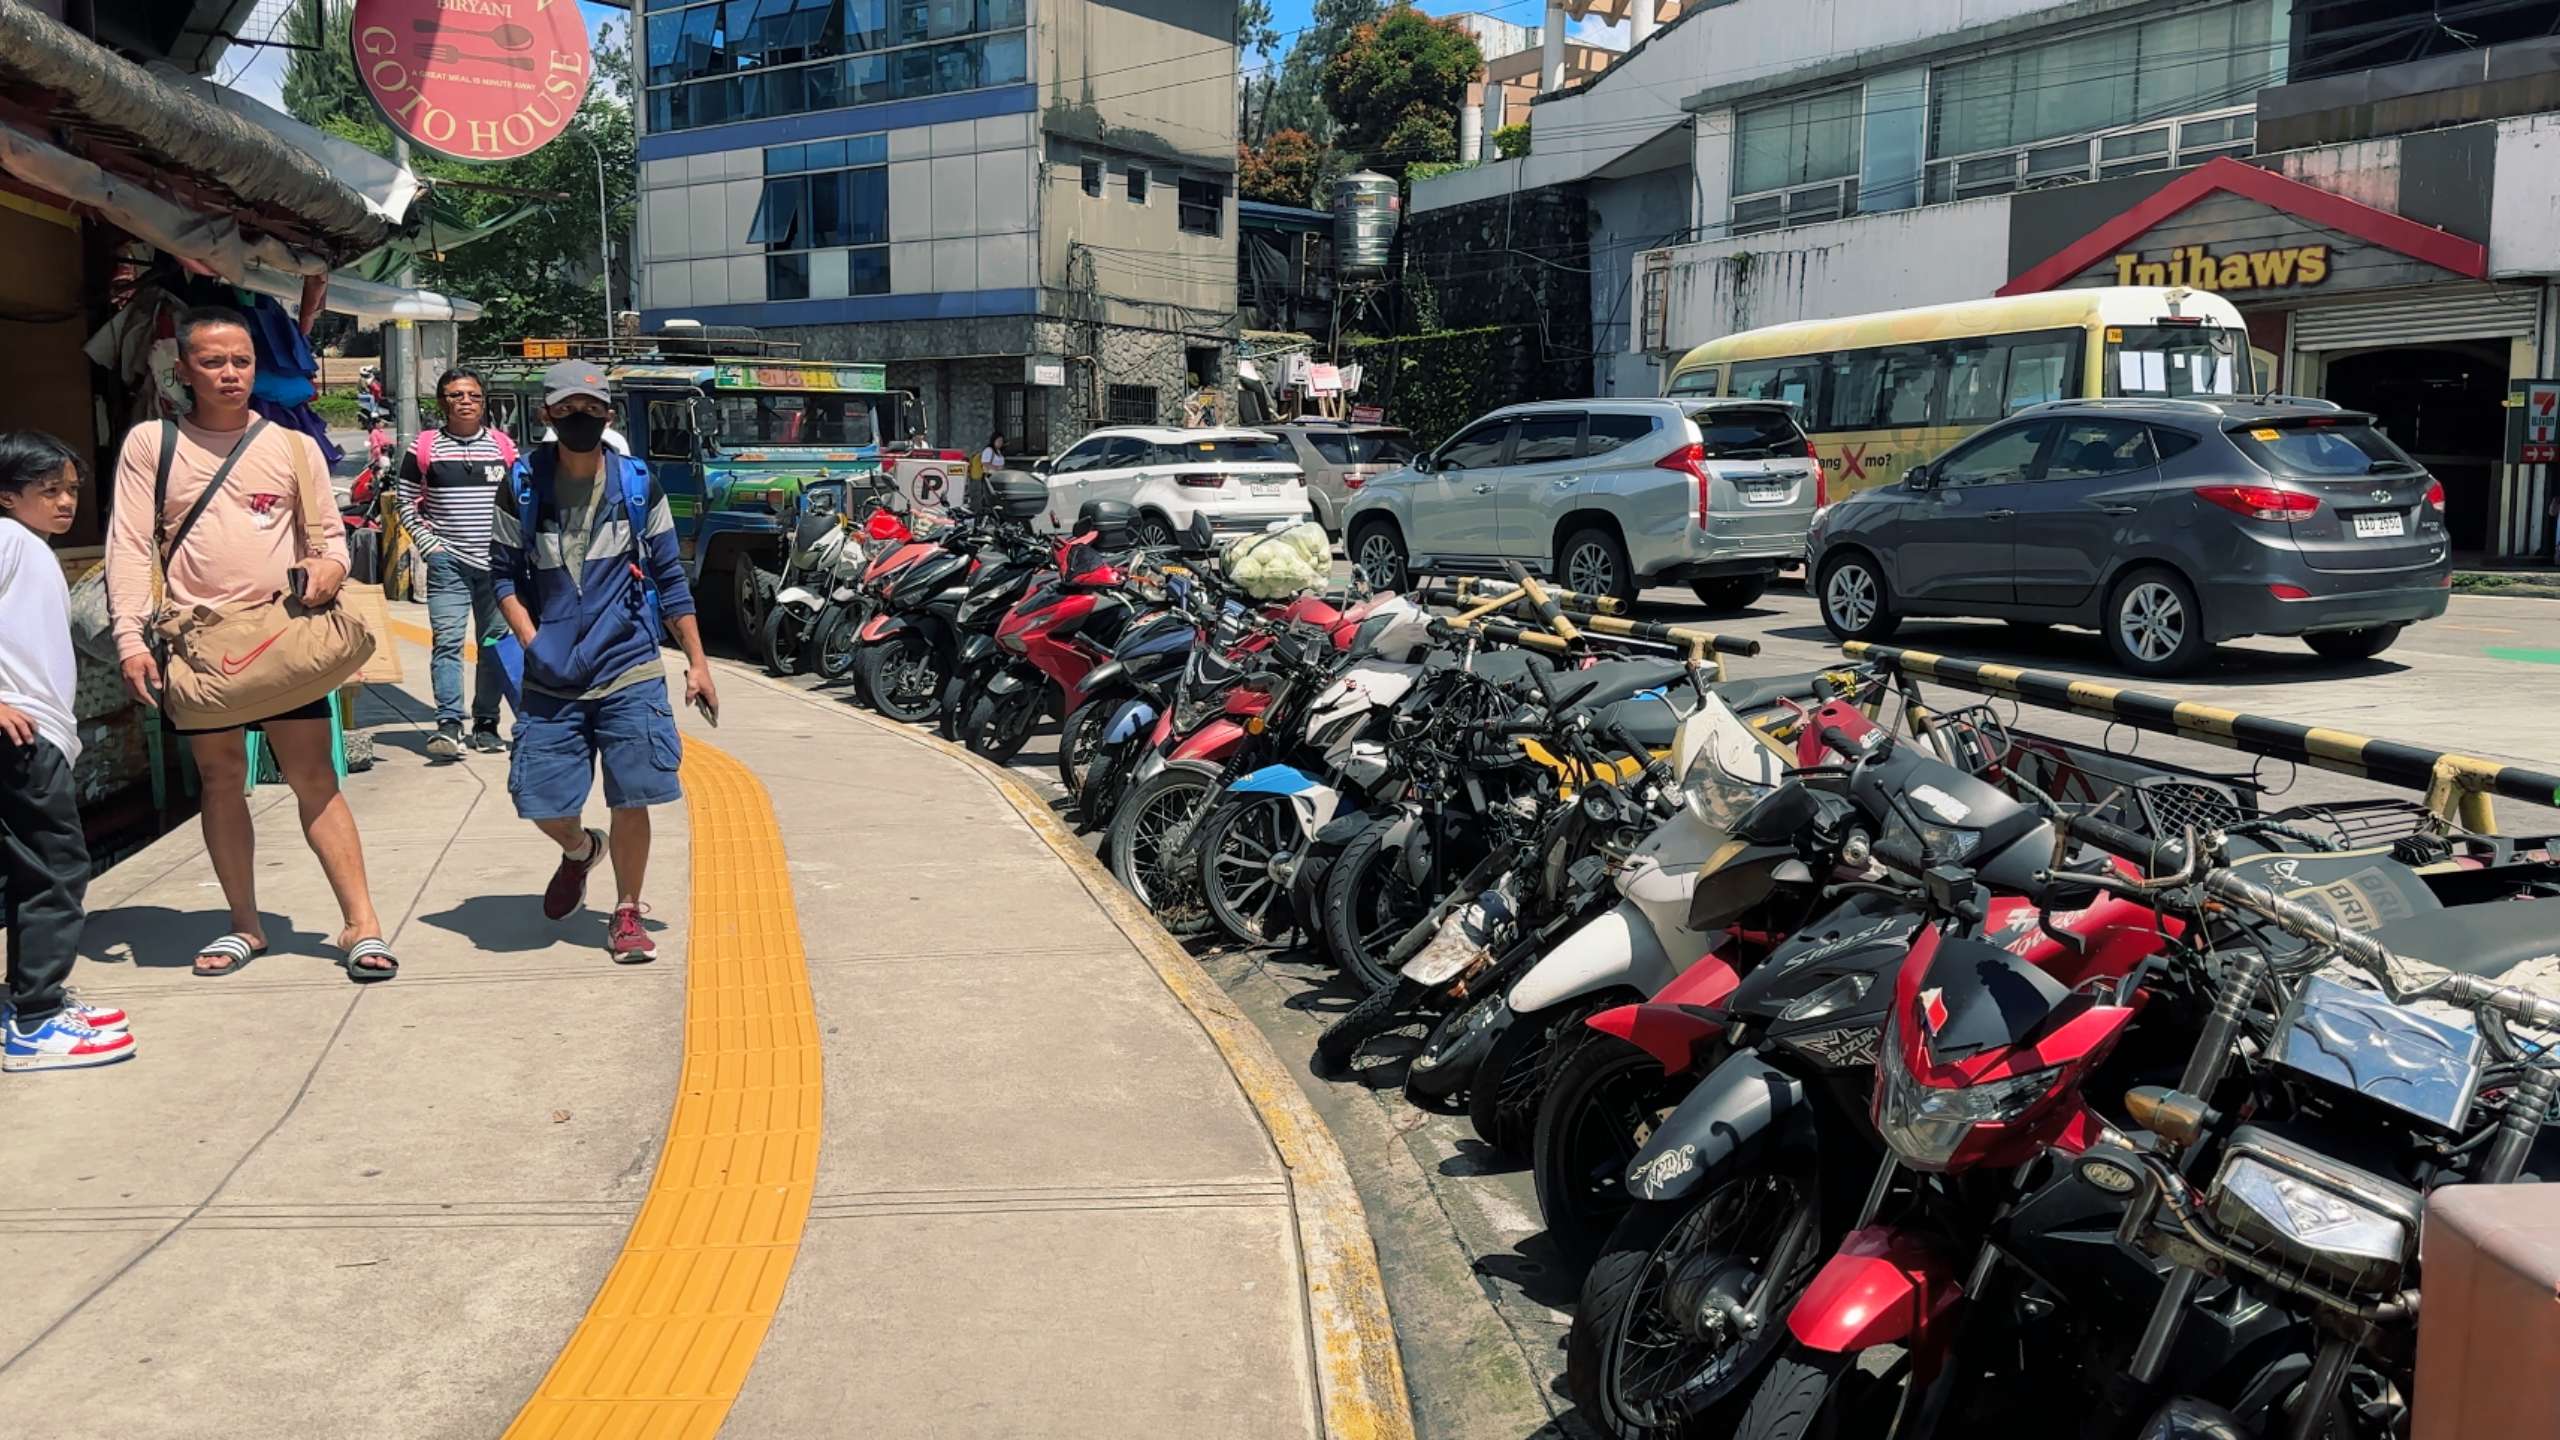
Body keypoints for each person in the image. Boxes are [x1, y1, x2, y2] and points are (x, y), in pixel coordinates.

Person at [106, 306, 396, 981]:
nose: (229, 373)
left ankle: (362, 923)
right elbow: (125, 546)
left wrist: (326, 569)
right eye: (212, 361)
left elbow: (330, 537)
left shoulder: (291, 445)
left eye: (240, 360)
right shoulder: (154, 444)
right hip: (200, 648)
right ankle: (245, 925)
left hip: (283, 638)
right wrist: (130, 639)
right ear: (184, 371)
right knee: (220, 779)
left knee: (315, 779)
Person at [490, 361, 715, 961]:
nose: (579, 420)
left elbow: (670, 577)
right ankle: (581, 850)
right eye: (566, 411)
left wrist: (697, 660)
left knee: (631, 794)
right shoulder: (522, 484)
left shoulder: (639, 485)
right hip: (552, 673)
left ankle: (627, 910)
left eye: (590, 410)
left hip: (629, 666)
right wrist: (534, 642)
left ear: (608, 415)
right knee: (540, 800)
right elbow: (504, 575)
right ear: (546, 417)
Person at [1, 433, 137, 1071]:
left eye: (72, 490)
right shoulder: (9, 541)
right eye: (47, 490)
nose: (64, 503)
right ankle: (35, 1021)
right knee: (56, 868)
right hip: (20, 732)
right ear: (8, 496)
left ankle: (28, 998)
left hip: (37, 730)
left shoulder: (25, 546)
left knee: (33, 869)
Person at [394, 367, 517, 758]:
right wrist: (431, 547)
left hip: (497, 565)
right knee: (447, 643)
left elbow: (520, 503)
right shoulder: (424, 447)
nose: (465, 402)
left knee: (493, 645)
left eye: (473, 395)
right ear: (442, 402)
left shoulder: (503, 447)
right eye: (455, 395)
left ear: (484, 402)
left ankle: (485, 723)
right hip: (448, 564)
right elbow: (405, 501)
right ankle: (448, 724)